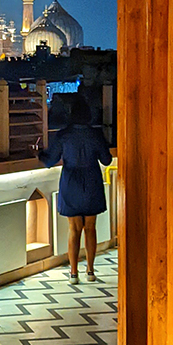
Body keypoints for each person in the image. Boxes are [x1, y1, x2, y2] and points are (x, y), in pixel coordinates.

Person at [39, 96, 112, 285]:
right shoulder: (95, 134)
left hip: (70, 182)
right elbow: (106, 160)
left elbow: (49, 160)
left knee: (74, 229)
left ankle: (73, 273)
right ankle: (90, 270)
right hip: (92, 181)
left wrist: (37, 153)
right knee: (90, 228)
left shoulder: (63, 135)